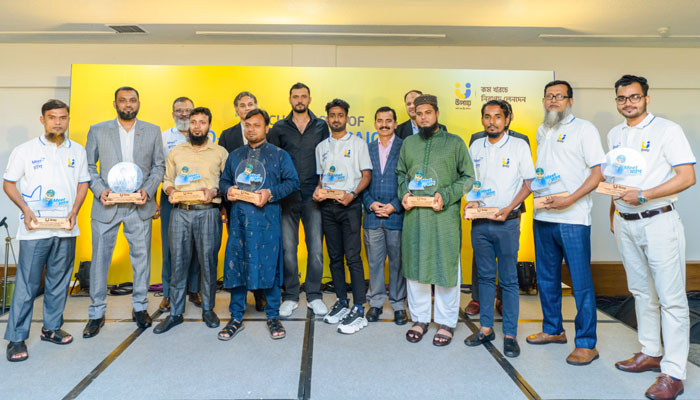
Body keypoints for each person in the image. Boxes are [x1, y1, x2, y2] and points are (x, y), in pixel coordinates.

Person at [608, 75, 696, 400]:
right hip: (626, 222)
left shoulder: (667, 130)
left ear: (646, 98)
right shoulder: (615, 134)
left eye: (634, 97)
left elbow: (687, 177)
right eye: (622, 98)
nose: (628, 103)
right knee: (641, 292)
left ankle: (673, 373)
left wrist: (644, 195)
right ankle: (650, 352)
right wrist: (613, 212)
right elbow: (616, 178)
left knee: (671, 299)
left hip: (658, 221)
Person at [3, 100, 90, 361]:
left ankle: (51, 328)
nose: (58, 122)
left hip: (65, 229)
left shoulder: (78, 150)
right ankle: (16, 338)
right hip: (35, 230)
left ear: (68, 119)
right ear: (43, 120)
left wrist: (75, 211)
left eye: (63, 117)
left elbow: (83, 183)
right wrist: (25, 209)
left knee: (59, 282)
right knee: (27, 284)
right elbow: (9, 184)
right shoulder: (25, 150)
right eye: (52, 117)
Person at [526, 80, 605, 366]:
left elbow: (598, 174)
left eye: (559, 96)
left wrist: (570, 199)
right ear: (543, 101)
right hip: (543, 216)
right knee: (547, 279)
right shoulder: (542, 129)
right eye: (549, 96)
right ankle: (553, 330)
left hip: (573, 218)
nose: (553, 101)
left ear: (570, 101)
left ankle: (586, 343)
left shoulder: (585, 129)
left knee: (581, 283)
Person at [83, 86, 165, 338]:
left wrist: (147, 191)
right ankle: (96, 313)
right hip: (106, 205)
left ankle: (139, 308)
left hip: (139, 206)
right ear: (115, 104)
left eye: (132, 100)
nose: (128, 104)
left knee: (141, 260)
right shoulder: (98, 130)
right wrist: (100, 191)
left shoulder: (152, 130)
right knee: (99, 261)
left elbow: (159, 166)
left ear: (139, 103)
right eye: (123, 101)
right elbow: (88, 166)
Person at [397, 94, 474, 346]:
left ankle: (446, 321)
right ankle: (419, 318)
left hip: (444, 218)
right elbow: (401, 173)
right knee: (416, 266)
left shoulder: (454, 142)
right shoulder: (409, 143)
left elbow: (468, 177)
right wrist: (404, 194)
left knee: (445, 266)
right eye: (419, 114)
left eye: (428, 113)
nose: (423, 118)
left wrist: (447, 195)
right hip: (415, 217)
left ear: (437, 114)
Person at [219, 108, 299, 340]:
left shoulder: (279, 155)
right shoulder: (235, 156)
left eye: (256, 125)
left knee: (270, 266)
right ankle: (236, 317)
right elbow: (223, 181)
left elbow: (293, 182)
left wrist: (270, 193)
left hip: (267, 221)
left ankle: (273, 316)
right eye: (247, 125)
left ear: (266, 128)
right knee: (237, 266)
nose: (251, 129)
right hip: (239, 221)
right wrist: (228, 190)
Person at [464, 100, 534, 358]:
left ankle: (510, 335)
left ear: (507, 119)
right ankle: (485, 328)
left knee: (508, 280)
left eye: (497, 116)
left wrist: (509, 207)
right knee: (484, 277)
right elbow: (470, 180)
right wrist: (471, 201)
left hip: (508, 222)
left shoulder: (519, 145)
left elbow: (529, 183)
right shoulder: (475, 146)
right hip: (480, 223)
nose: (491, 121)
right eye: (487, 116)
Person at [154, 107, 229, 334]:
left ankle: (208, 309)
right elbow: (167, 180)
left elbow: (226, 182)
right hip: (180, 212)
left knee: (208, 262)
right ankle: (175, 313)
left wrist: (215, 191)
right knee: (177, 262)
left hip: (208, 212)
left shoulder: (220, 152)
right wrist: (170, 191)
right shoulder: (176, 152)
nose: (197, 127)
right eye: (193, 122)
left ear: (209, 126)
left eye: (202, 122)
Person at [268, 83, 329, 317]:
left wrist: (322, 187)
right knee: (287, 249)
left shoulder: (321, 126)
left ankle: (314, 295)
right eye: (296, 96)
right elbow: (273, 162)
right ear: (290, 99)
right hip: (287, 197)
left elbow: (328, 159)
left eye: (303, 96)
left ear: (310, 99)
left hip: (314, 196)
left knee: (315, 249)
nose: (300, 100)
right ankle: (291, 295)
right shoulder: (279, 128)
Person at [313, 98, 372, 334]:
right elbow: (321, 179)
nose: (336, 119)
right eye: (332, 115)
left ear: (347, 118)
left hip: (350, 206)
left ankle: (359, 307)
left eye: (340, 115)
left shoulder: (358, 144)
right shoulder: (321, 147)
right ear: (327, 118)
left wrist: (353, 195)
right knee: (335, 257)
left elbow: (366, 176)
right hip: (328, 207)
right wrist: (318, 191)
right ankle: (341, 301)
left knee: (353, 257)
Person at [218, 91, 267, 312]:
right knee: (238, 252)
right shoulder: (227, 135)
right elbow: (222, 173)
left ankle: (260, 294)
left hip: (261, 206)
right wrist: (223, 202)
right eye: (242, 105)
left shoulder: (267, 132)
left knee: (260, 250)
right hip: (236, 206)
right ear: (236, 110)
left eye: (250, 104)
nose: (246, 108)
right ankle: (240, 296)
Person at [362, 106, 407, 325]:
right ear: (374, 124)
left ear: (395, 124)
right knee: (375, 262)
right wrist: (370, 203)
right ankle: (376, 302)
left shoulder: (405, 147)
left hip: (396, 215)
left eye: (388, 120)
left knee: (398, 263)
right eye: (380, 120)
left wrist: (394, 205)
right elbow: (360, 180)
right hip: (372, 216)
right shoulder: (367, 148)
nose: (384, 124)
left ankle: (398, 304)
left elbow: (410, 181)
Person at [158, 96, 202, 313]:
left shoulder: (204, 135)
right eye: (179, 110)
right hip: (171, 197)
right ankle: (168, 293)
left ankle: (194, 289)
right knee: (169, 247)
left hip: (198, 198)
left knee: (196, 245)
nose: (184, 114)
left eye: (188, 110)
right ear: (173, 113)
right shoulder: (163, 137)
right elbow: (157, 169)